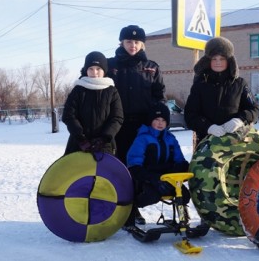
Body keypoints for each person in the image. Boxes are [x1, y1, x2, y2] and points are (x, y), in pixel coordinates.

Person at [107, 25, 166, 224]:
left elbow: (159, 97)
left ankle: (134, 208)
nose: (133, 45)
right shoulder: (110, 65)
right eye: (128, 41)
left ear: (142, 44)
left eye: (136, 42)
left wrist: (157, 120)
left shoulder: (152, 66)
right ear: (121, 42)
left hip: (142, 127)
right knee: (119, 168)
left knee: (138, 167)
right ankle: (122, 210)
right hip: (118, 127)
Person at [123, 102, 190, 228]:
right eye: (157, 119)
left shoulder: (171, 139)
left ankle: (183, 219)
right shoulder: (142, 139)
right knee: (152, 196)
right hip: (147, 180)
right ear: (150, 121)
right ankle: (130, 210)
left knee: (184, 195)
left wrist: (178, 169)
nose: (160, 123)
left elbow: (180, 160)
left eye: (163, 120)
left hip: (169, 179)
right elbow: (134, 165)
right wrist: (153, 179)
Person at [184, 36, 259, 147]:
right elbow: (190, 115)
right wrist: (208, 127)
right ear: (208, 60)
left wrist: (239, 120)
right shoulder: (200, 85)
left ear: (229, 60)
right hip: (206, 144)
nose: (218, 62)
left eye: (222, 59)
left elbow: (254, 109)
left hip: (236, 144)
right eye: (214, 59)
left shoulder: (240, 84)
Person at [61, 51, 124, 156]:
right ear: (86, 70)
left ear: (104, 70)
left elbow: (117, 117)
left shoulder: (112, 91)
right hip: (78, 145)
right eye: (91, 68)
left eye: (98, 69)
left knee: (103, 172)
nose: (94, 72)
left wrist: (104, 139)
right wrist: (81, 138)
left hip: (105, 146)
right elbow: (68, 115)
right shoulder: (78, 90)